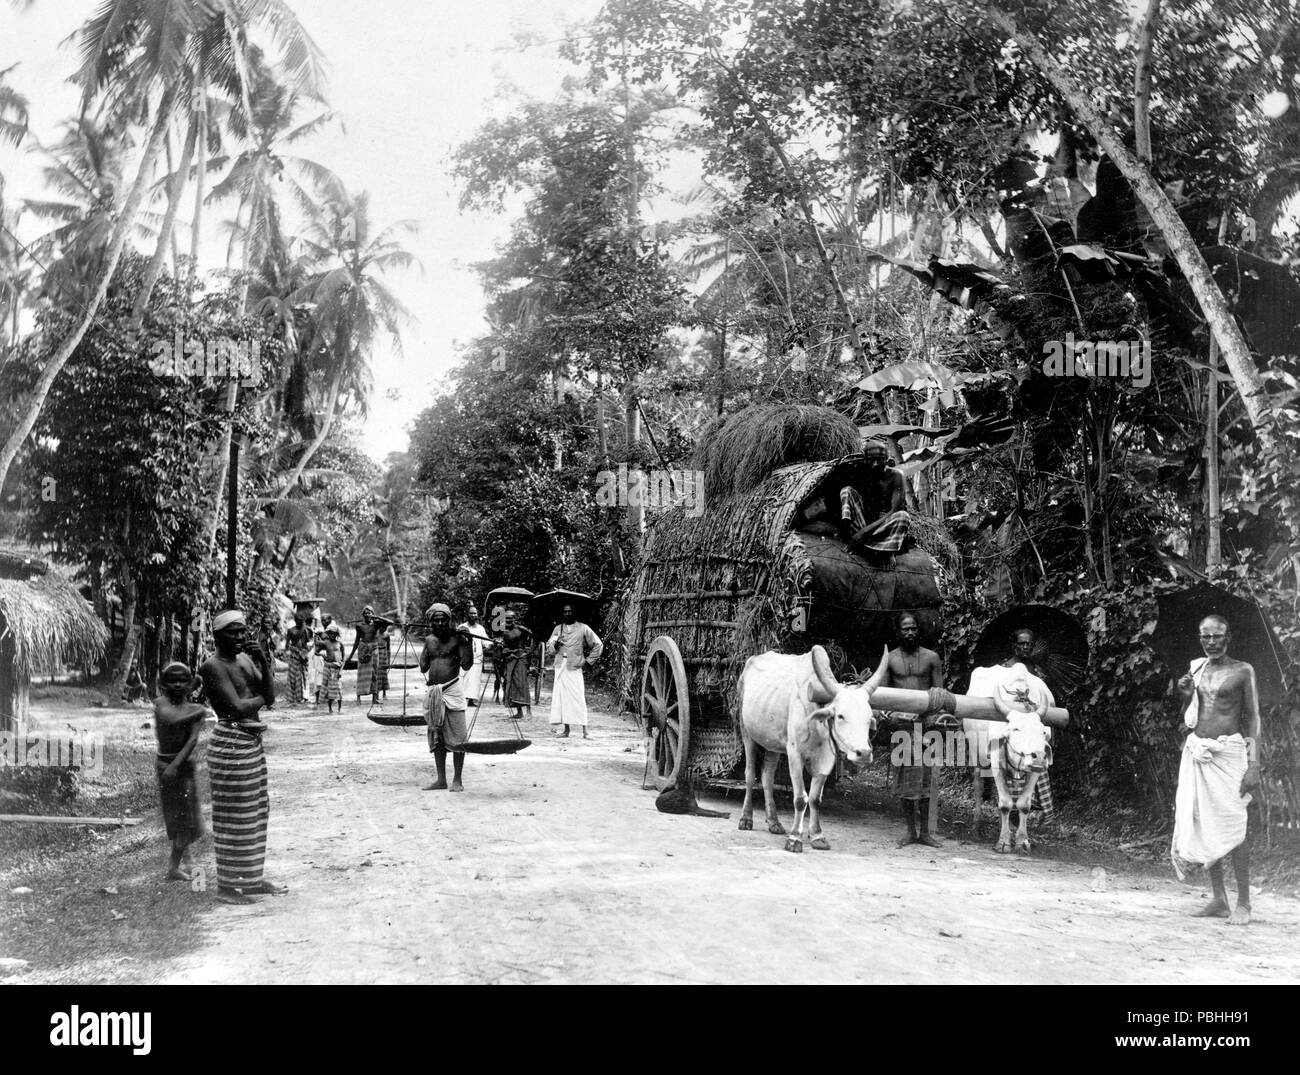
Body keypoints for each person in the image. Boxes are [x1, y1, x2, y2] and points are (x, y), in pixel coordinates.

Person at [1174, 614, 1261, 925]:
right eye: (1205, 636)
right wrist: (1187, 696)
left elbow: (1252, 718)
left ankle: (1245, 903)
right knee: (1205, 823)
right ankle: (1219, 899)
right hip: (1199, 751)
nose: (1210, 642)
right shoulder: (1196, 669)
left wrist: (1254, 764)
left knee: (1234, 825)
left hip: (1229, 755)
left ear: (1229, 637)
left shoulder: (1242, 671)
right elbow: (1191, 718)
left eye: (1216, 636)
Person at [198, 609, 286, 905]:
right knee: (233, 816)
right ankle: (226, 887)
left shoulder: (247, 659)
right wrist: (265, 698)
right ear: (217, 635)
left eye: (242, 631)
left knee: (255, 813)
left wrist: (263, 660)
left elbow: (268, 695)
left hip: (250, 741)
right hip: (230, 742)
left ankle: (249, 880)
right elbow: (236, 708)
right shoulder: (212, 666)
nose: (239, 637)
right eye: (232, 632)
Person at [882, 614, 945, 848]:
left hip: (927, 727)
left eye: (913, 629)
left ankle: (926, 834)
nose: (910, 633)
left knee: (928, 781)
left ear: (919, 631)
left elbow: (940, 695)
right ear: (898, 632)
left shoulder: (932, 658)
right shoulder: (890, 659)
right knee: (906, 781)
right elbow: (883, 695)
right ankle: (910, 831)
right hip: (902, 729)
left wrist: (933, 718)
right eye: (905, 629)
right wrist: (891, 715)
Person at [153, 661, 208, 881]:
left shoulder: (194, 710)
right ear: (163, 684)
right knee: (177, 817)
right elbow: (171, 718)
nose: (177, 685)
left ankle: (180, 862)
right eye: (172, 681)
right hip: (166, 766)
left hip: (182, 767)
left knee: (188, 817)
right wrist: (199, 708)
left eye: (182, 681)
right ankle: (175, 866)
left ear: (189, 683)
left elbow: (193, 740)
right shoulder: (160, 704)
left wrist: (176, 765)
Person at [419, 603, 474, 791]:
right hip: (435, 692)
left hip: (452, 691)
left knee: (459, 736)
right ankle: (441, 779)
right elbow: (423, 667)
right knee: (437, 736)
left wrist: (467, 642)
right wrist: (427, 650)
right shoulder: (429, 640)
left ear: (449, 621)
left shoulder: (457, 640)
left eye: (444, 620)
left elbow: (466, 665)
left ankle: (457, 779)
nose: (441, 623)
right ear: (431, 623)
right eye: (437, 620)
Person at [839, 441, 910, 556]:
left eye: (880, 459)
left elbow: (894, 510)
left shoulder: (896, 475)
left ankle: (885, 551)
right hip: (865, 522)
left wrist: (864, 531)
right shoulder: (863, 473)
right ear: (865, 460)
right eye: (871, 459)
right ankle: (852, 539)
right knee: (846, 491)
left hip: (885, 525)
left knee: (903, 517)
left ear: (887, 459)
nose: (875, 464)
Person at [546, 604, 603, 739]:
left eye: (570, 612)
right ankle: (566, 730)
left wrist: (589, 661)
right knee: (562, 698)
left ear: (574, 613)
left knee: (578, 697)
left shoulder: (583, 628)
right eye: (565, 612)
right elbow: (550, 649)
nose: (567, 614)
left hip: (575, 666)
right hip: (560, 666)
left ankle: (585, 731)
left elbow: (598, 644)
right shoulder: (557, 629)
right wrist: (556, 644)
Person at [497, 610, 534, 720]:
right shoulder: (503, 631)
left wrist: (529, 651)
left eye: (510, 618)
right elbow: (503, 645)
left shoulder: (520, 629)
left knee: (521, 683)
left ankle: (529, 711)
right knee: (511, 684)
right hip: (510, 659)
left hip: (520, 658)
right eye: (506, 618)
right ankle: (519, 712)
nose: (508, 620)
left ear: (514, 619)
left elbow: (533, 636)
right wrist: (503, 648)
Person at [346, 604, 384, 707]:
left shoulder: (376, 624)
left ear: (373, 614)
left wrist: (377, 618)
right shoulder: (359, 626)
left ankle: (375, 698)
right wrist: (350, 656)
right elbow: (356, 641)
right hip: (363, 649)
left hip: (374, 650)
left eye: (370, 613)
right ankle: (358, 698)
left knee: (374, 674)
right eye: (366, 613)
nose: (367, 615)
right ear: (363, 614)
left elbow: (391, 622)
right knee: (361, 674)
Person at [456, 605, 490, 707]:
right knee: (463, 677)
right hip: (465, 657)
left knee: (474, 679)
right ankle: (463, 699)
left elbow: (486, 642)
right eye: (471, 613)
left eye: (475, 613)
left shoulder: (480, 629)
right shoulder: (462, 627)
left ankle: (471, 699)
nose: (473, 615)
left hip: (477, 658)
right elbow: (456, 642)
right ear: (467, 614)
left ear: (477, 615)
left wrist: (488, 647)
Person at [284, 613, 312, 705]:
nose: (301, 622)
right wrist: (295, 650)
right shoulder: (291, 630)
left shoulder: (306, 630)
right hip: (295, 656)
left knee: (304, 676)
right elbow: (287, 646)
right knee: (293, 677)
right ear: (295, 620)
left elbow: (308, 643)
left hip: (303, 656)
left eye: (302, 621)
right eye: (299, 621)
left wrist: (305, 652)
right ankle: (294, 697)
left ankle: (304, 696)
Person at [316, 624, 344, 713]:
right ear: (328, 634)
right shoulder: (325, 643)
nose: (332, 635)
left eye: (334, 633)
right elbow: (316, 651)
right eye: (330, 633)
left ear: (337, 634)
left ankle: (339, 709)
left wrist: (341, 671)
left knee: (338, 688)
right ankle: (330, 709)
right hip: (328, 667)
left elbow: (343, 659)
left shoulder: (340, 644)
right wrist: (322, 655)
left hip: (337, 668)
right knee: (328, 687)